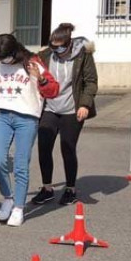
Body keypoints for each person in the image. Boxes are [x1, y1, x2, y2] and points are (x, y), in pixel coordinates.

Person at [0, 34, 59, 226]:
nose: (2, 61)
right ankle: (8, 198)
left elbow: (53, 90)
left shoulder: (32, 62)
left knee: (20, 164)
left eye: (5, 58)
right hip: (4, 115)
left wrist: (41, 79)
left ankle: (19, 208)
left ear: (15, 52)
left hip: (26, 118)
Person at [33, 23, 98, 206]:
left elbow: (91, 81)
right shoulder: (46, 55)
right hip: (50, 108)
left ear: (69, 44)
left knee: (67, 147)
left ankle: (70, 189)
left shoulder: (82, 55)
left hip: (72, 109)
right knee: (44, 147)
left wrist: (85, 104)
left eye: (61, 46)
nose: (57, 50)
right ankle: (47, 189)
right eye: (53, 46)